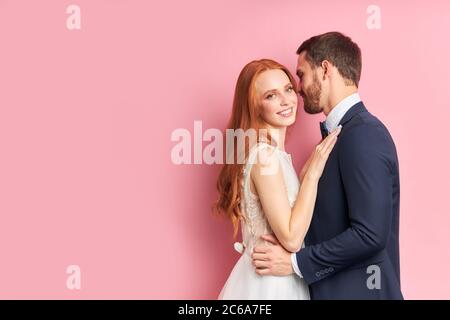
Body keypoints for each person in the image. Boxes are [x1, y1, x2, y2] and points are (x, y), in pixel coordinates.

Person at [251, 32, 403, 300]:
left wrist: (296, 263)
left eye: (301, 75)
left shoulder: (363, 134)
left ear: (324, 69)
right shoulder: (338, 138)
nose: (298, 87)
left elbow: (370, 234)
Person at [215, 58, 340, 299]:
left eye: (288, 89)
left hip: (274, 279)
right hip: (270, 285)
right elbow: (292, 239)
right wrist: (313, 174)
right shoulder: (265, 157)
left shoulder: (272, 155)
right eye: (271, 96)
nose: (285, 101)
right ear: (254, 106)